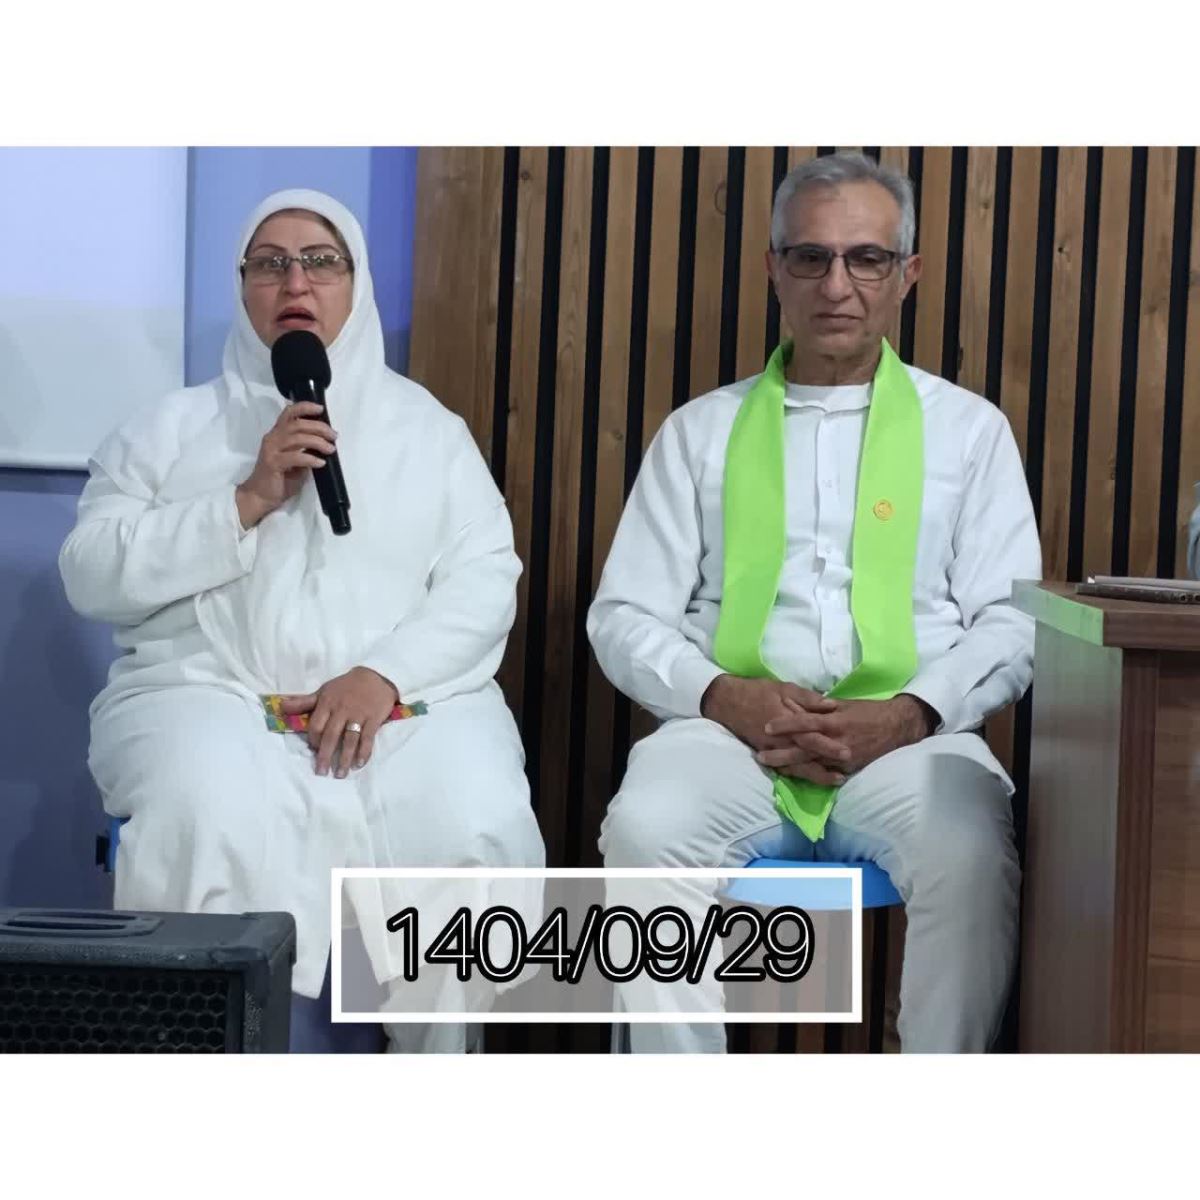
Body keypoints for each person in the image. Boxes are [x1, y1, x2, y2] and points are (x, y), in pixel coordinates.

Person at [59, 189, 545, 1052]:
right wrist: (244, 500)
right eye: (270, 263)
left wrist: (383, 675)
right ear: (242, 286)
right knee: (202, 807)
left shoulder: (429, 431)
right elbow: (90, 572)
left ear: (356, 284)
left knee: (470, 815)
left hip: (400, 706)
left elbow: (484, 576)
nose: (296, 282)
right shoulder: (168, 429)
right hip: (209, 693)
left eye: (321, 261)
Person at [588, 153, 1042, 1053]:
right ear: (774, 269)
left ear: (907, 274)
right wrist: (724, 696)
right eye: (811, 257)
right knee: (643, 832)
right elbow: (624, 615)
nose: (838, 285)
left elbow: (1011, 619)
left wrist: (909, 713)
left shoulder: (969, 432)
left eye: (866, 258)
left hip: (913, 740)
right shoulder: (700, 432)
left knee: (969, 853)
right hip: (729, 738)